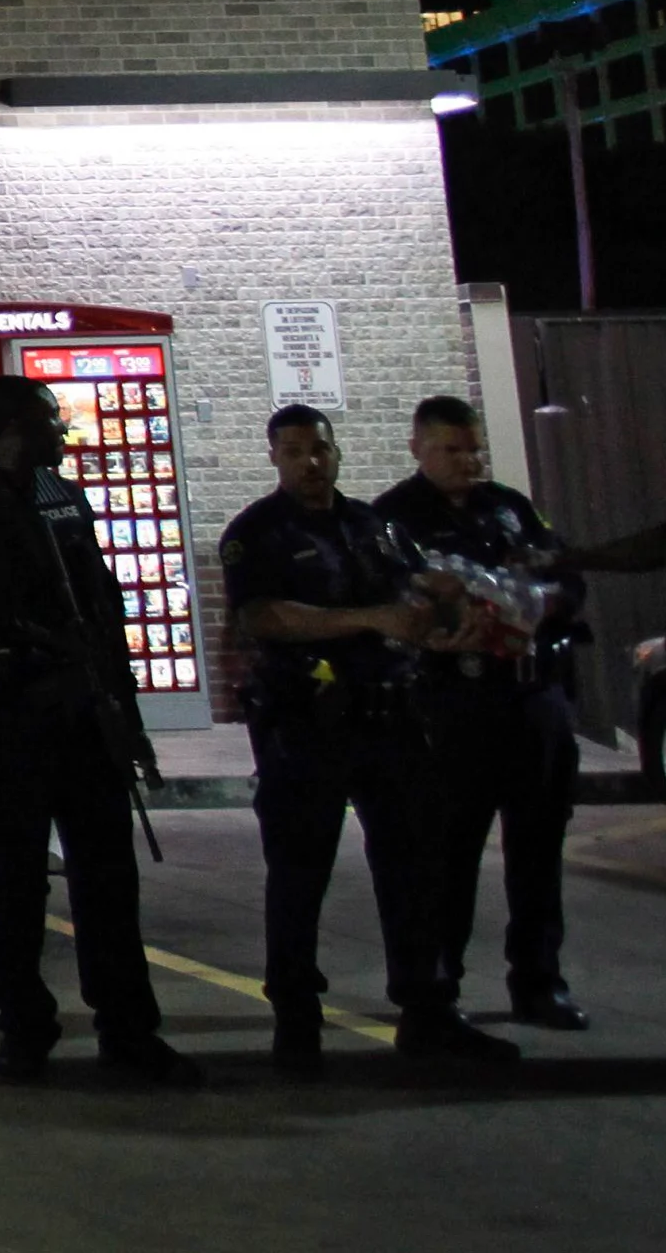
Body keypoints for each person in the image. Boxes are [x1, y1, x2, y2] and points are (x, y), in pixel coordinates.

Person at [0, 374, 197, 1084]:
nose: (65, 432)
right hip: (0, 712)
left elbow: (102, 613)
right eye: (53, 419)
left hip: (81, 709)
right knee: (14, 884)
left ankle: (129, 1030)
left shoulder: (62, 497)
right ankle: (24, 1029)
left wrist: (129, 717)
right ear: (15, 426)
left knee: (108, 880)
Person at [217, 405, 487, 1069]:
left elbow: (419, 592)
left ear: (338, 453)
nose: (312, 462)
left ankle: (426, 1011)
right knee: (300, 875)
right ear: (275, 458)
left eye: (321, 449)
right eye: (296, 452)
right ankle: (297, 1021)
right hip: (307, 724)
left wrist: (449, 610)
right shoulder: (258, 533)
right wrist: (374, 618)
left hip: (391, 721)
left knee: (413, 873)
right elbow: (266, 617)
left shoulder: (373, 526)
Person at [373, 393, 597, 1035]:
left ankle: (539, 981)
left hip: (531, 698)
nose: (467, 460)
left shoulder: (510, 508)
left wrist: (540, 603)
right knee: (448, 852)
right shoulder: (393, 519)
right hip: (453, 705)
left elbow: (565, 574)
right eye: (451, 449)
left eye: (473, 448)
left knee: (538, 847)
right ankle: (439, 992)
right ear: (418, 448)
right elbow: (395, 598)